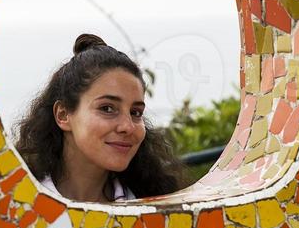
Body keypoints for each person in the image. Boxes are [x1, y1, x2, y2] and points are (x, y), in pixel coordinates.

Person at [14, 33, 186, 204]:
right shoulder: (17, 202)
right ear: (63, 115)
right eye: (107, 108)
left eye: (136, 112)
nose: (128, 126)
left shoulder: (157, 209)